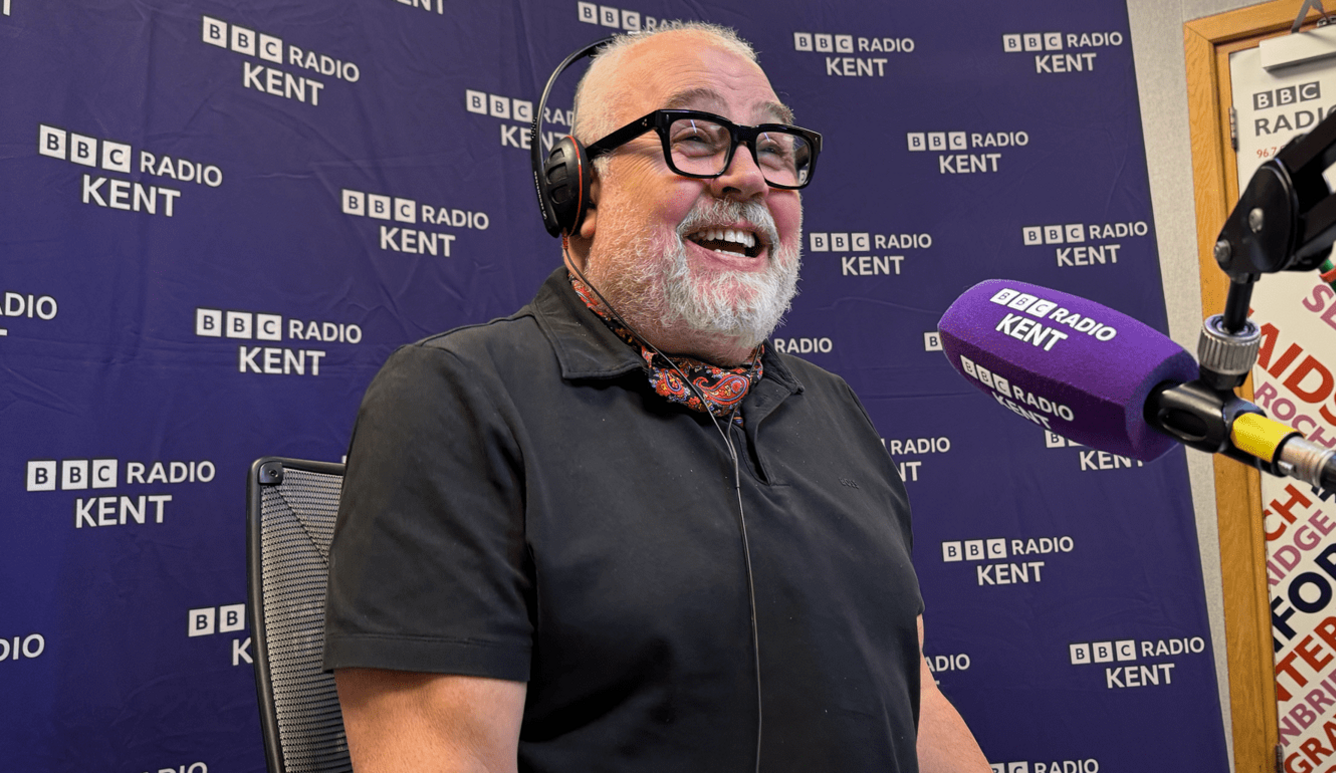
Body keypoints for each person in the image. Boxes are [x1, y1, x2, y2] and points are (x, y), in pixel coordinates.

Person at [323, 22, 990, 772]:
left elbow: (913, 694)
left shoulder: (833, 407)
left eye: (773, 148)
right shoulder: (457, 398)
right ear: (579, 187)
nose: (749, 177)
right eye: (696, 136)